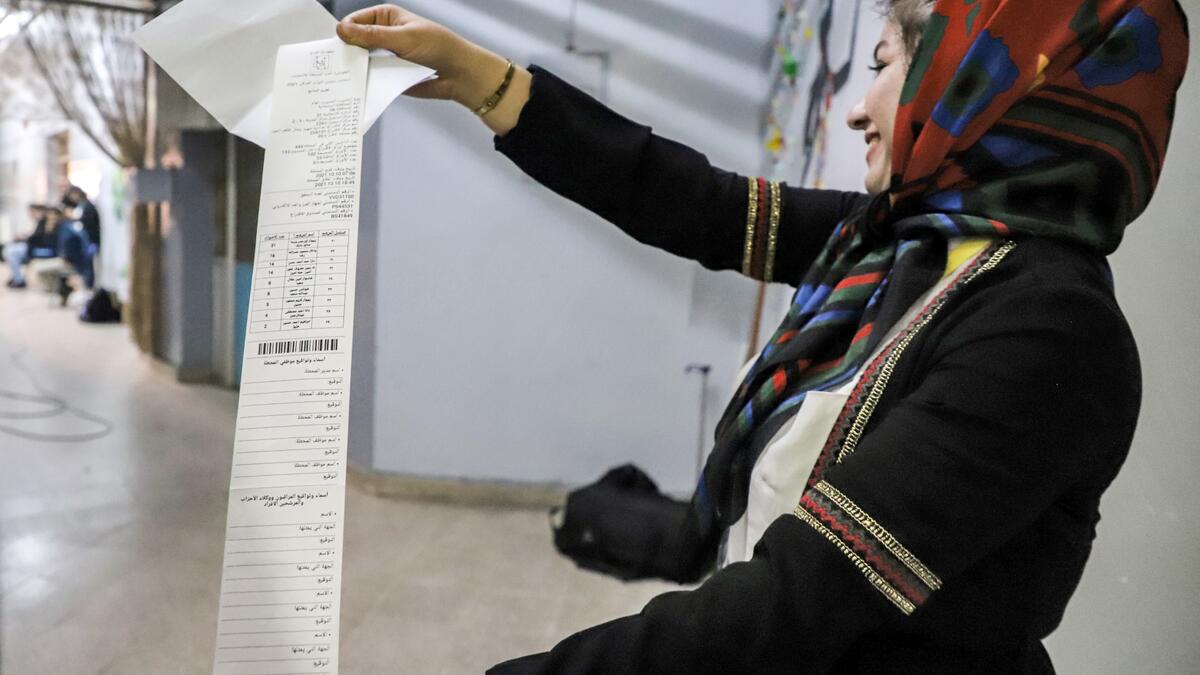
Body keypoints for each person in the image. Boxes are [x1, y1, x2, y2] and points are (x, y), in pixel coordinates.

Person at [338, 0, 1188, 672]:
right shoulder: (903, 239)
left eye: (885, 69)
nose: (858, 110)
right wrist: (480, 79)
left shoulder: (1048, 329)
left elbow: (795, 602)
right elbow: (693, 202)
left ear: (976, 90)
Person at [6, 204, 61, 289]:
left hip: (42, 249)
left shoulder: (55, 226)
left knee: (12, 252)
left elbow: (42, 240)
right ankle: (17, 278)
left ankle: (18, 280)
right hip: (35, 247)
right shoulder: (43, 223)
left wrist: (25, 238)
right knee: (10, 250)